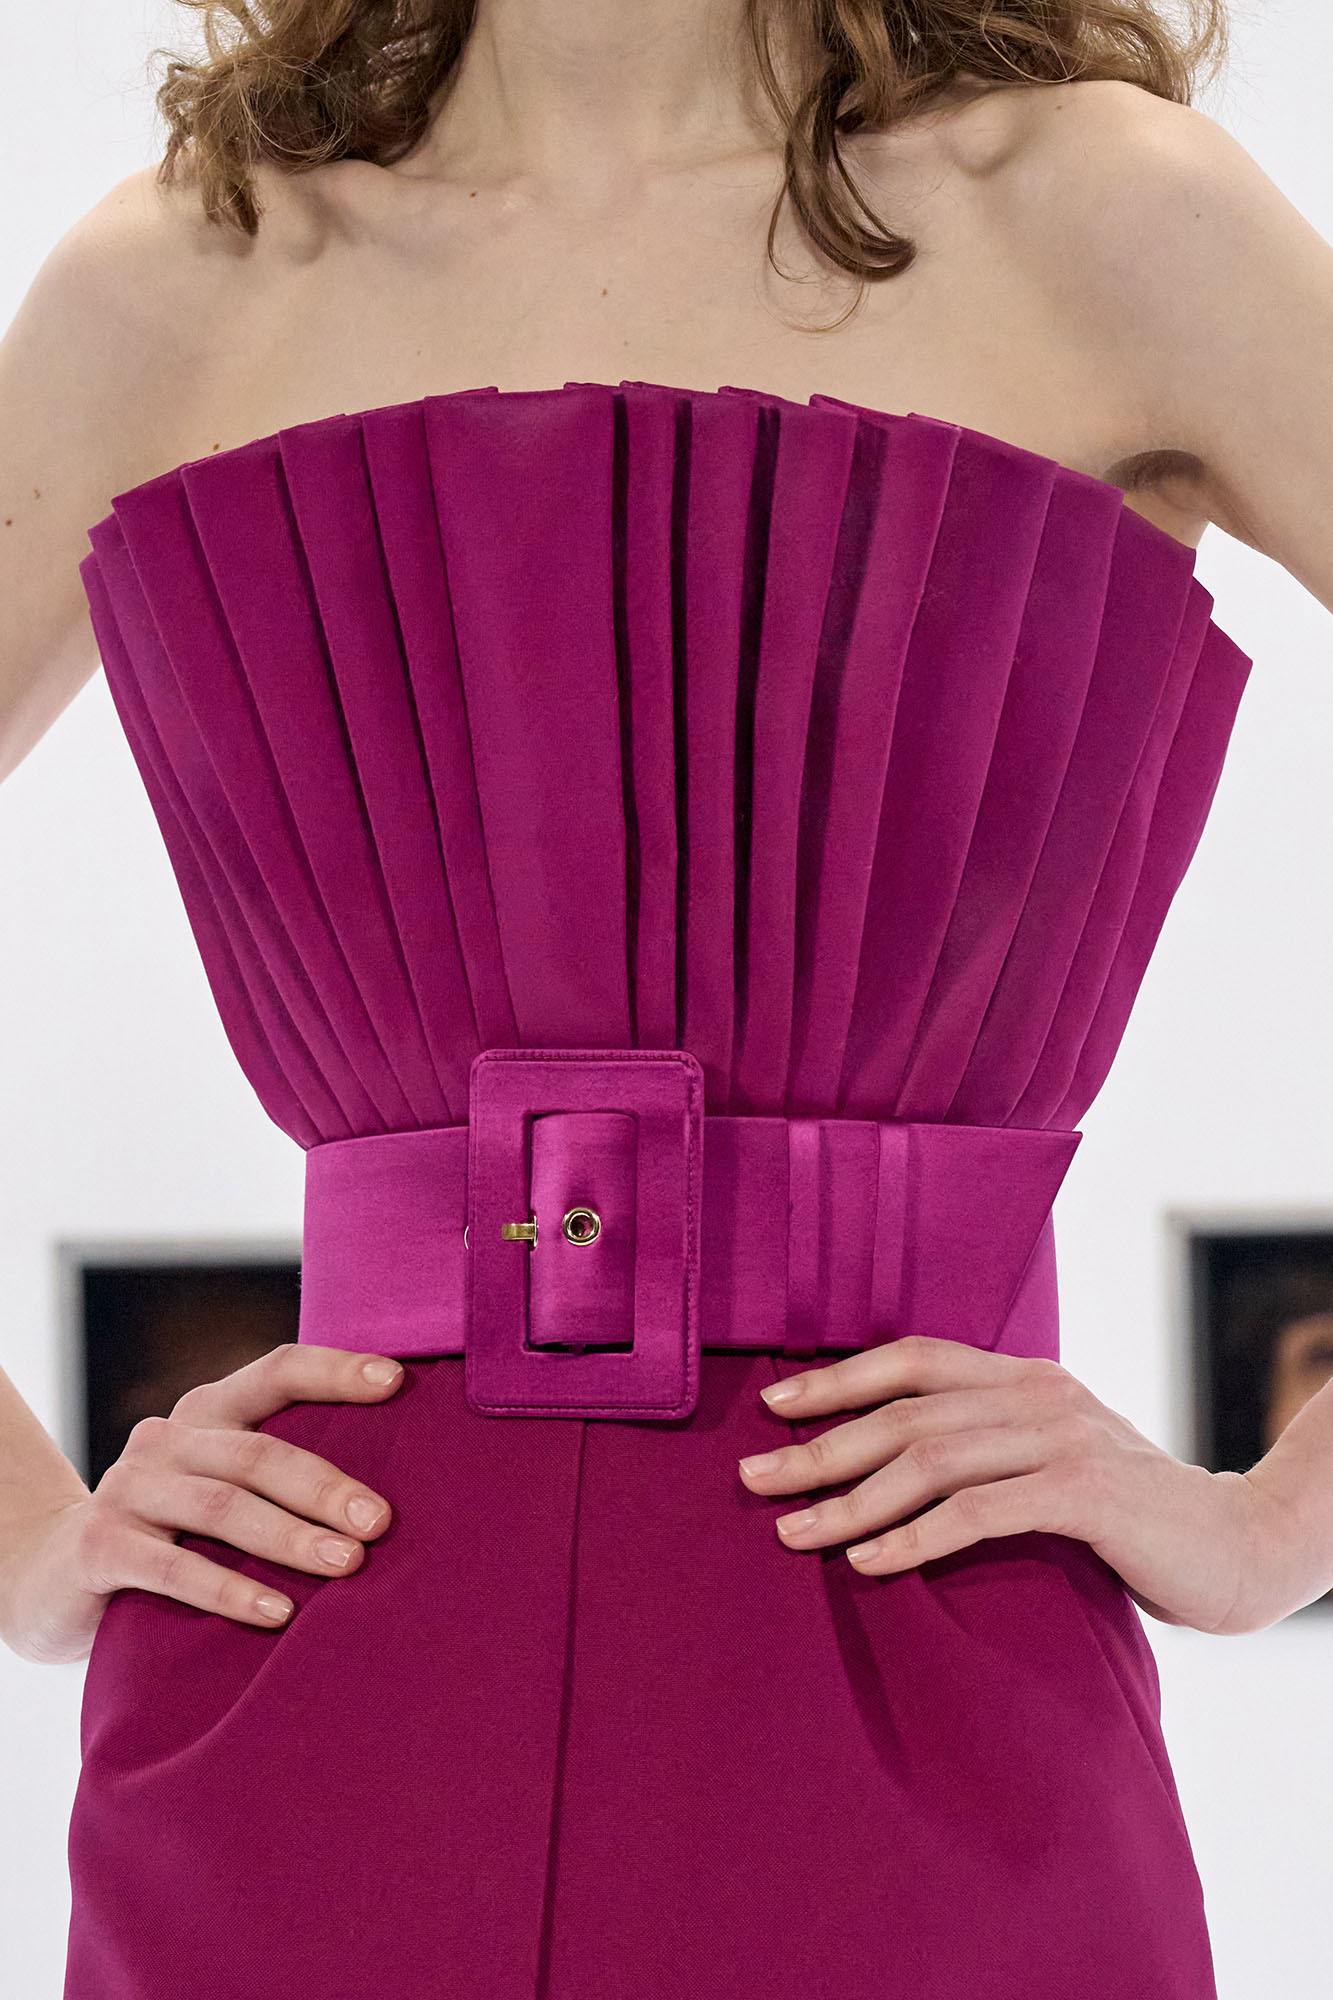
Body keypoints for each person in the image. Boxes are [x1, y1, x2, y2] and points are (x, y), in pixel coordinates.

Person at [2, 1, 1332, 1994]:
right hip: (312, 1686)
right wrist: (27, 1544)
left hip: (918, 1656)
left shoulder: (1107, 218)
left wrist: (1275, 1521)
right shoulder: (181, 280)